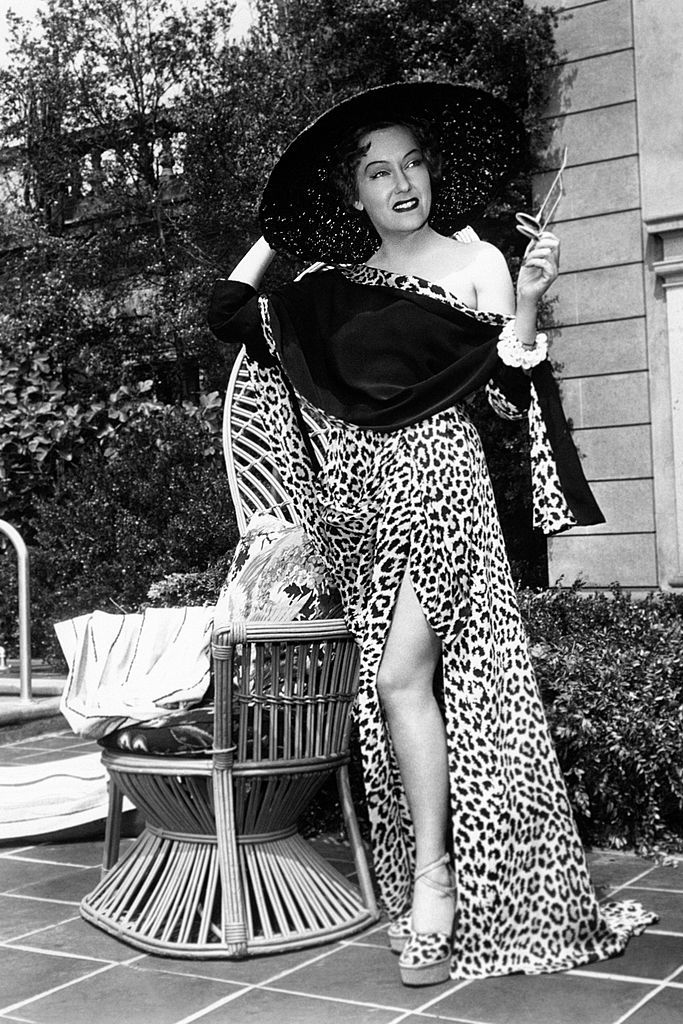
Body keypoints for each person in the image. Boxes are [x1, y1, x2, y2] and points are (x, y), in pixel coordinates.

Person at [208, 82, 655, 986]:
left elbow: (510, 394)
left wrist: (527, 298)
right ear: (352, 193)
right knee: (405, 691)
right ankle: (444, 875)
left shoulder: (476, 258)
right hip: (366, 508)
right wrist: (279, 229)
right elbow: (227, 312)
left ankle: (434, 883)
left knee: (395, 677)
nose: (401, 182)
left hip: (444, 485)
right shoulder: (329, 290)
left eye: (411, 163)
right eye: (376, 172)